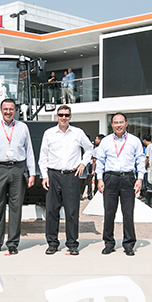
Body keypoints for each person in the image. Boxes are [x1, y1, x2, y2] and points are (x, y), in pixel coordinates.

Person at [0, 98, 36, 255]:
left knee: (15, 208)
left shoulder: (23, 127)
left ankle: (12, 243)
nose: (8, 112)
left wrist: (32, 173)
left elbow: (29, 151)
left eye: (11, 109)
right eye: (5, 109)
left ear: (15, 111)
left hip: (18, 169)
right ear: (1, 110)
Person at [39, 104, 92, 255]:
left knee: (72, 211)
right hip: (53, 175)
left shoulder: (78, 133)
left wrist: (83, 163)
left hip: (71, 176)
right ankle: (52, 243)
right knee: (51, 211)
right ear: (57, 116)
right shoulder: (49, 133)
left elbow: (89, 148)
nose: (63, 118)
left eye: (66, 115)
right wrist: (44, 176)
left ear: (70, 117)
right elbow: (43, 156)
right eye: (61, 115)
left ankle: (72, 244)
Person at [95, 113, 145, 256]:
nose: (118, 125)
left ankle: (128, 244)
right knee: (109, 213)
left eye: (121, 122)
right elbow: (100, 161)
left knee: (128, 213)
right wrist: (99, 179)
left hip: (127, 178)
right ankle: (109, 243)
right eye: (115, 123)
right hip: (110, 178)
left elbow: (140, 160)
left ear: (126, 124)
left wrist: (140, 179)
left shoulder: (134, 141)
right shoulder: (105, 141)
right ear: (111, 125)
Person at [87, 133, 103, 199]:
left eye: (96, 139)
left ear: (100, 140)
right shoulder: (104, 149)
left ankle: (91, 194)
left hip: (95, 166)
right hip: (102, 167)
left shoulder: (96, 149)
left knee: (93, 181)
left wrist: (93, 169)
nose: (95, 140)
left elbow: (94, 160)